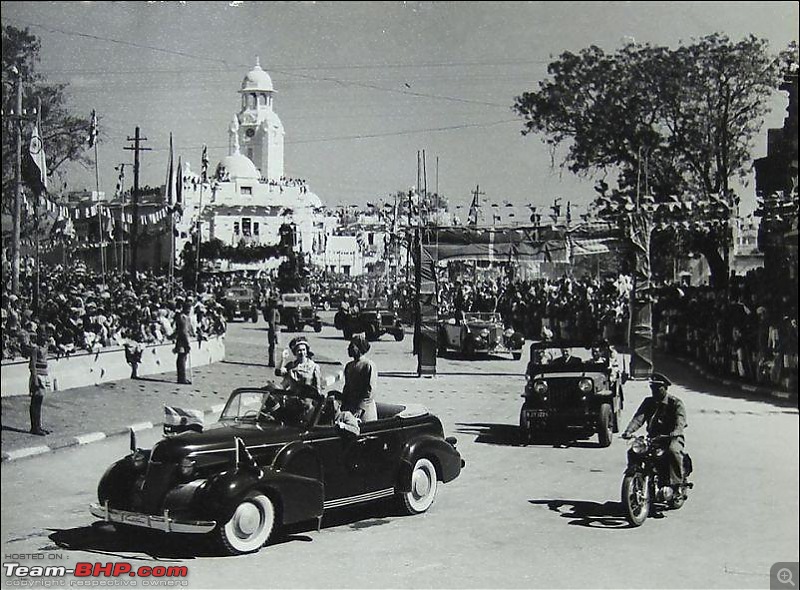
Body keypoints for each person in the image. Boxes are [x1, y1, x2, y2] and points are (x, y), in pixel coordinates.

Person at [621, 373, 688, 492]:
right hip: (653, 438)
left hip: (671, 438)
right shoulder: (648, 402)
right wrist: (628, 431)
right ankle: (635, 475)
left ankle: (677, 484)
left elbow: (680, 421)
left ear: (665, 388)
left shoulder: (675, 403)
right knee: (633, 451)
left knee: (673, 451)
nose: (654, 391)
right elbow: (638, 418)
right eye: (652, 388)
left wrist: (676, 431)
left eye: (658, 388)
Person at [337, 334, 378, 422]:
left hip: (364, 411)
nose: (349, 348)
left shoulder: (368, 365)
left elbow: (370, 390)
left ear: (359, 348)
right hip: (350, 408)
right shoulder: (349, 366)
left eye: (352, 346)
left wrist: (361, 408)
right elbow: (347, 387)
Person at [28, 327, 51, 436]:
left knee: (40, 402)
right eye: (41, 335)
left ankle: (39, 426)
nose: (43, 337)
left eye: (45, 335)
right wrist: (35, 380)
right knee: (35, 403)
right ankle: (35, 427)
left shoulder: (45, 347)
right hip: (38, 377)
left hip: (44, 375)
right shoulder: (35, 349)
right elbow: (32, 366)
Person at [174, 300, 194, 384]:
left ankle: (182, 377)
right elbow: (183, 331)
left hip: (183, 339)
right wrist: (187, 344)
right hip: (182, 340)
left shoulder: (185, 317)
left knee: (183, 358)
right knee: (181, 358)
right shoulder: (183, 317)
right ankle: (181, 378)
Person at [264, 295, 281, 367]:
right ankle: (272, 361)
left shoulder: (273, 310)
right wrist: (273, 331)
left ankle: (272, 361)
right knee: (273, 346)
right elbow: (272, 322)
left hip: (274, 329)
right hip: (274, 329)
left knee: (273, 346)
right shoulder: (273, 311)